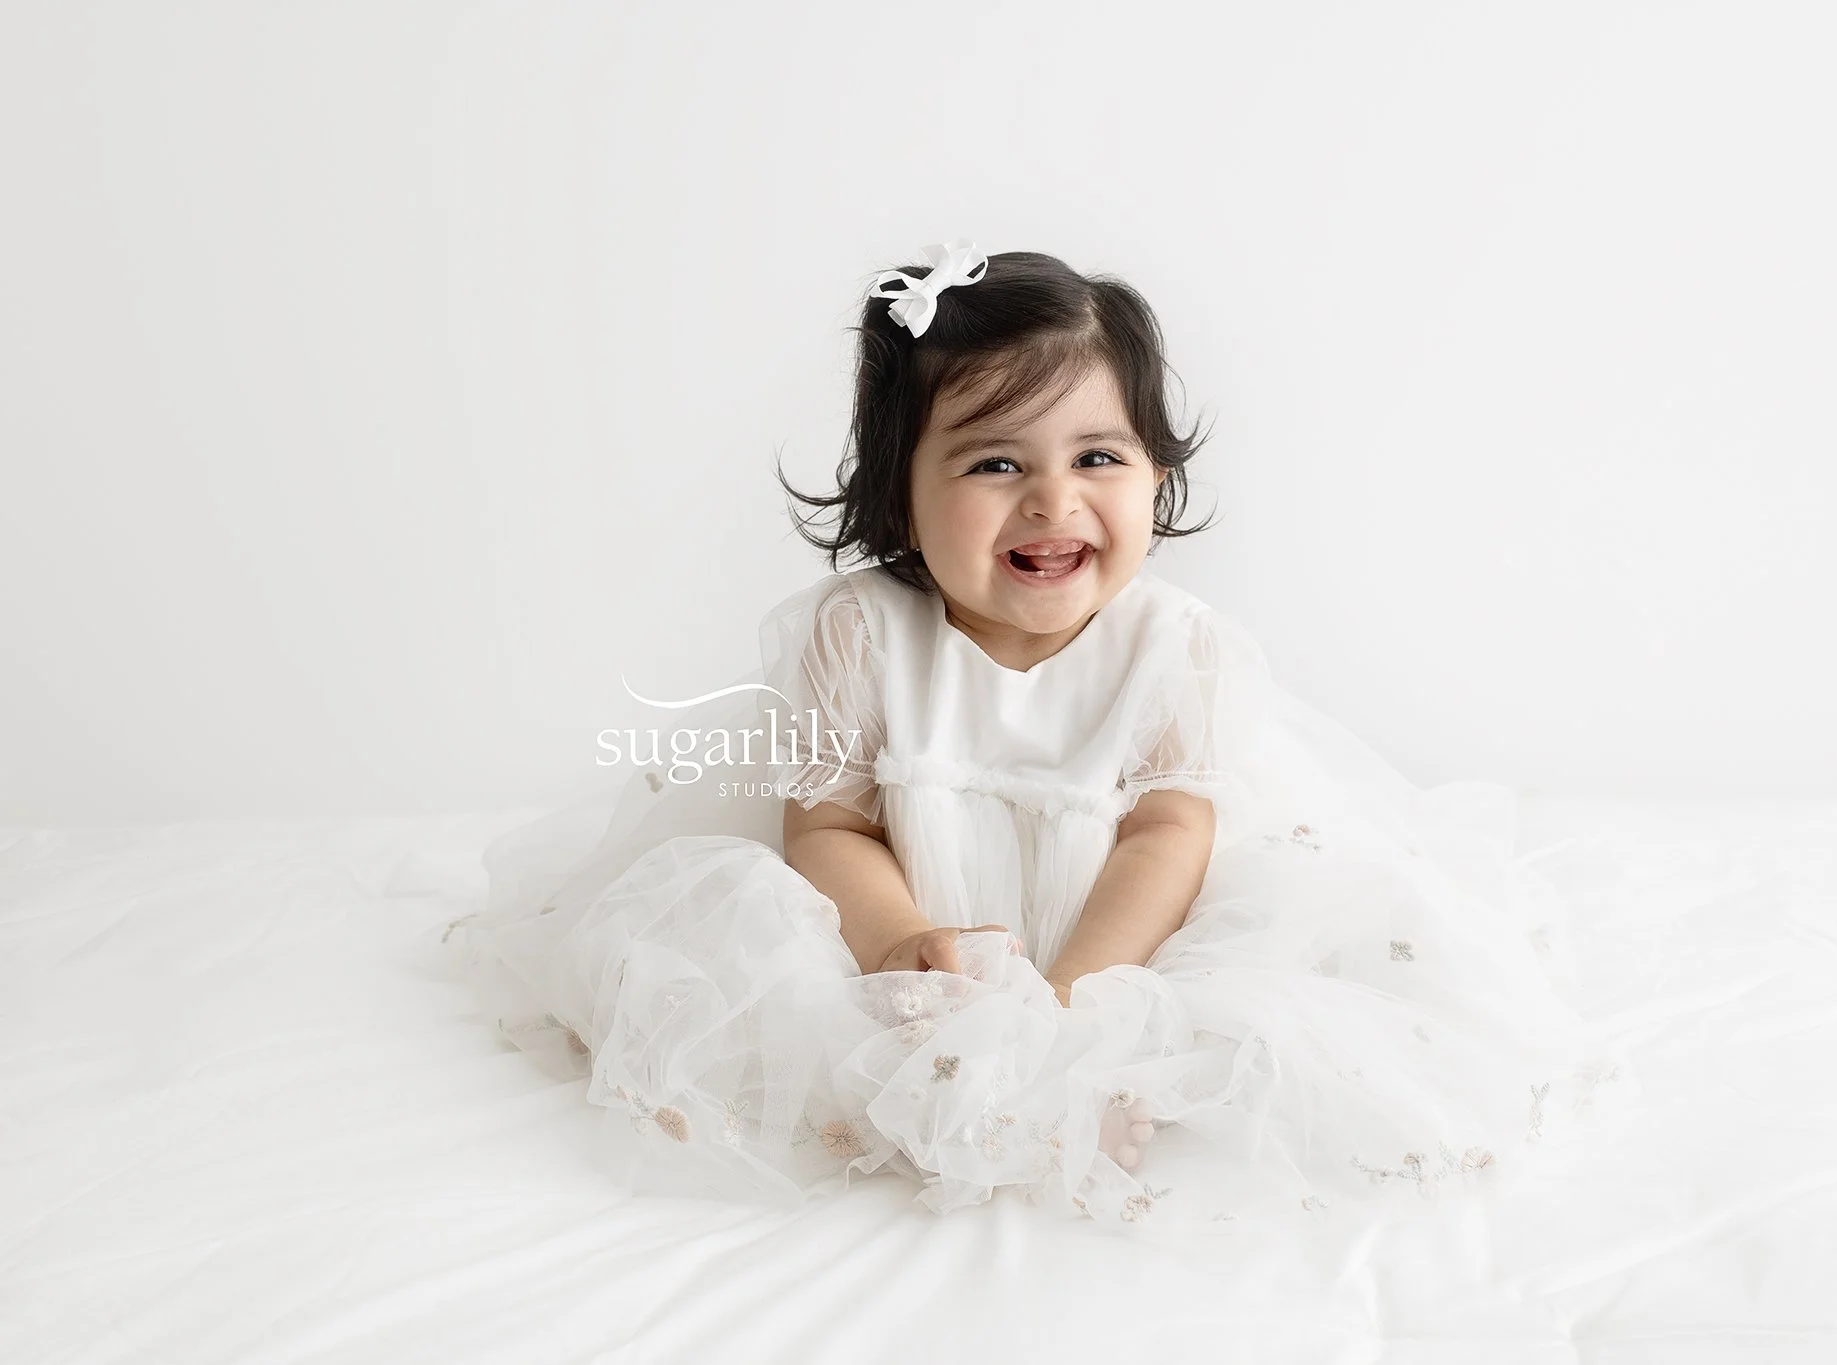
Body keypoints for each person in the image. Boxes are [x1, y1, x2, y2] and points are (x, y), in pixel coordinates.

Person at [458, 240, 1623, 1229]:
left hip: (1128, 936)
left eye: (1096, 457)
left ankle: (1117, 1084)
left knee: (1269, 975)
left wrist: (1076, 1007)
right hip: (919, 935)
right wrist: (902, 942)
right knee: (758, 983)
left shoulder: (1175, 647)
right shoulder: (855, 634)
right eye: (994, 461)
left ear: (1154, 475)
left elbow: (1167, 835)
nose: (1053, 500)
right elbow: (827, 828)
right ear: (898, 491)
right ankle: (933, 1078)